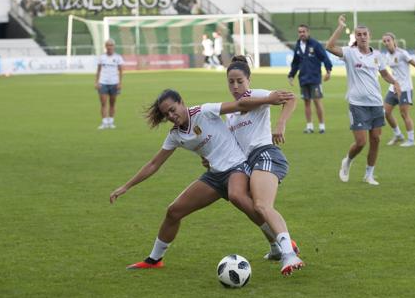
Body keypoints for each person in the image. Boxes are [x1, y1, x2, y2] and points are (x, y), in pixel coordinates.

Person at [109, 88, 305, 276]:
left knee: (237, 196)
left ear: (181, 103)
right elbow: (153, 164)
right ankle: (154, 259)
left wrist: (268, 100)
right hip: (214, 176)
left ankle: (282, 243)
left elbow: (238, 105)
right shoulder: (175, 135)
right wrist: (126, 186)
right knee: (174, 211)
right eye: (165, 114)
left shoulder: (204, 111)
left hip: (237, 166)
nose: (170, 115)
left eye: (172, 109)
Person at [224, 56, 303, 272]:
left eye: (240, 80)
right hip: (248, 162)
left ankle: (289, 254)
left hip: (266, 154)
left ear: (248, 79)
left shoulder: (256, 95)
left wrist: (280, 123)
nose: (236, 86)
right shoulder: (230, 113)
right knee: (241, 200)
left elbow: (291, 98)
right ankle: (275, 247)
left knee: (261, 205)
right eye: (231, 82)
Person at [325, 15, 401, 186]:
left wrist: (395, 82)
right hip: (357, 104)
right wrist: (340, 27)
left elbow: (384, 74)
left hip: (375, 103)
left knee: (376, 140)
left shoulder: (378, 56)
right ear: (355, 37)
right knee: (361, 142)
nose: (362, 37)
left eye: (365, 34)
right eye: (359, 34)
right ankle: (347, 161)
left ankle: (369, 175)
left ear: (370, 36)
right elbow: (329, 47)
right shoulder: (350, 53)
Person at [382, 32, 415, 147]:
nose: (386, 43)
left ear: (394, 41)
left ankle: (411, 140)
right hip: (393, 88)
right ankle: (398, 135)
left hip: (405, 88)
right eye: (384, 41)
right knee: (385, 113)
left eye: (388, 40)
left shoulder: (402, 53)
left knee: (404, 114)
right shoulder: (387, 56)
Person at [288, 24, 332, 134]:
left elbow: (324, 57)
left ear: (308, 32)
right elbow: (295, 62)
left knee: (317, 102)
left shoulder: (315, 44)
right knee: (306, 103)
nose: (301, 34)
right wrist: (291, 75)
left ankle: (322, 126)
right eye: (300, 32)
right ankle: (309, 126)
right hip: (303, 79)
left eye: (303, 31)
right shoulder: (298, 46)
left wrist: (328, 71)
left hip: (314, 78)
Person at [95, 39, 123, 129]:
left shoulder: (118, 57)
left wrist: (120, 83)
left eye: (111, 45)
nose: (109, 47)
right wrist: (97, 82)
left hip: (114, 83)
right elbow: (98, 70)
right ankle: (104, 123)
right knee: (103, 103)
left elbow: (121, 71)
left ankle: (111, 122)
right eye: (108, 45)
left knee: (112, 103)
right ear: (105, 46)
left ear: (114, 46)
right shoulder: (102, 57)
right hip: (103, 82)